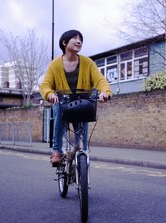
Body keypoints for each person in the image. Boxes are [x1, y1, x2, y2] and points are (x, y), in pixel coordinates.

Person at [39, 29, 113, 165]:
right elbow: (45, 85)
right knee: (58, 110)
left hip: (82, 102)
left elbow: (100, 80)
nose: (79, 41)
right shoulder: (55, 65)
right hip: (63, 101)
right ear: (64, 42)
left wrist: (105, 91)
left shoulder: (87, 62)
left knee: (85, 113)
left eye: (81, 39)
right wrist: (49, 94)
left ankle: (81, 149)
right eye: (75, 38)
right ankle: (57, 151)